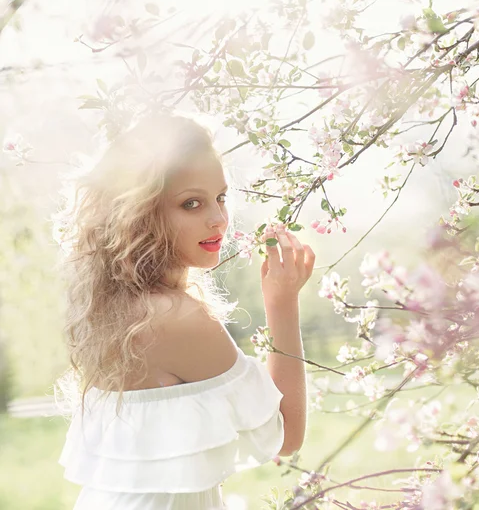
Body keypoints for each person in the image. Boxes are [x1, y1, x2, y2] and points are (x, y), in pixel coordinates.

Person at [53, 113, 314, 509]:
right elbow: (286, 434)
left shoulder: (121, 309)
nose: (218, 219)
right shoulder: (174, 318)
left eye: (221, 197)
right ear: (140, 213)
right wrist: (282, 302)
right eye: (191, 203)